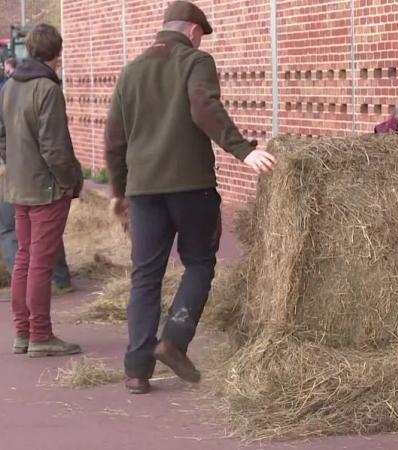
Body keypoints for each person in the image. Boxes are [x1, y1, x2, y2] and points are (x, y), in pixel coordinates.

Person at [105, 0, 277, 395]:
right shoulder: (195, 61)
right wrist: (243, 149)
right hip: (191, 187)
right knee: (199, 264)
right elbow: (203, 107)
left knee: (144, 277)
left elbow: (114, 140)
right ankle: (175, 339)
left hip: (143, 191)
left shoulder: (130, 72)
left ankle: (136, 370)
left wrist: (118, 191)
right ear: (193, 32)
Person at [0, 24, 83, 357]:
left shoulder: (9, 87)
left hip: (18, 185)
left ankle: (23, 333)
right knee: (40, 263)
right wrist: (71, 181)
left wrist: (17, 161)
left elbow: (2, 137)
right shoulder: (48, 90)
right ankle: (41, 335)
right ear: (56, 54)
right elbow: (55, 148)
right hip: (46, 188)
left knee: (24, 258)